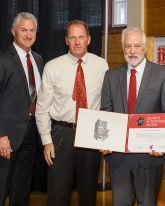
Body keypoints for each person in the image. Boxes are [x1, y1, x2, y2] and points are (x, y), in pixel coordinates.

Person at [35, 20, 109, 206]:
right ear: (66, 40)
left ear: (89, 39)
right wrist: (47, 141)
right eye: (73, 38)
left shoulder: (101, 65)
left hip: (91, 133)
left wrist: (105, 138)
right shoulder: (53, 66)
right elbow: (42, 108)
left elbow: (107, 104)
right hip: (61, 134)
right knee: (58, 192)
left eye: (81, 37)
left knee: (88, 192)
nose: (77, 42)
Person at [100, 27, 165, 206]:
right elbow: (106, 112)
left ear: (144, 47)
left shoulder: (162, 75)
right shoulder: (110, 76)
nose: (132, 51)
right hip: (119, 157)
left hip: (150, 156)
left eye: (136, 46)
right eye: (127, 46)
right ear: (123, 48)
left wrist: (163, 145)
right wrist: (104, 142)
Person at [0, 12, 44, 206]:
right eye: (23, 30)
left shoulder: (38, 59)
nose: (28, 34)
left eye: (32, 30)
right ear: (13, 31)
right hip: (6, 137)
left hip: (31, 134)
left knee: (22, 191)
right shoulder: (1, 58)